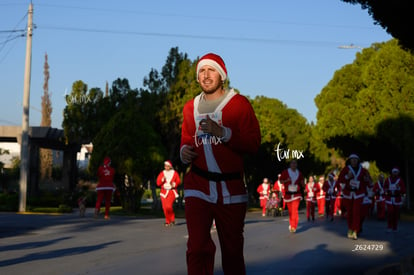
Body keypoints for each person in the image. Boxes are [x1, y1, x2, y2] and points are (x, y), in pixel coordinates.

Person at [180, 53, 261, 275]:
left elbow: (254, 143)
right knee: (196, 248)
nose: (206, 75)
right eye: (201, 72)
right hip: (198, 185)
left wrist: (223, 132)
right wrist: (183, 151)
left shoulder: (238, 104)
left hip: (231, 189)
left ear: (222, 75)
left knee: (232, 251)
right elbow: (187, 137)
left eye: (211, 70)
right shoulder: (190, 108)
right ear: (197, 78)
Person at [338, 154, 370, 240]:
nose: (354, 161)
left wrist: (367, 180)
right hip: (348, 193)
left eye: (356, 159)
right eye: (352, 159)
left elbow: (368, 181)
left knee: (357, 212)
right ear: (350, 161)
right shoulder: (346, 169)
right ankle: (350, 229)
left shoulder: (363, 170)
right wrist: (347, 176)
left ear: (358, 161)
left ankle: (355, 230)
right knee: (350, 212)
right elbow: (340, 180)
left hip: (359, 194)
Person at [279, 160, 304, 233]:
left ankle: (293, 226)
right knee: (290, 211)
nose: (294, 164)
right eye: (292, 163)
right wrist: (286, 180)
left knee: (294, 210)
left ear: (297, 165)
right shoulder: (285, 172)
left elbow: (302, 181)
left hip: (297, 194)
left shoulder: (299, 173)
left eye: (295, 163)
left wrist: (303, 184)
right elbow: (281, 181)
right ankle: (292, 224)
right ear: (290, 165)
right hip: (288, 194)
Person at [156, 160, 181, 226]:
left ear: (170, 166)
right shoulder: (162, 173)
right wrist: (162, 180)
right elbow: (158, 183)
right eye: (165, 166)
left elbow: (178, 181)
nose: (166, 167)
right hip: (163, 192)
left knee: (168, 206)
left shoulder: (174, 173)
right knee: (164, 207)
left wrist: (174, 184)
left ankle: (172, 219)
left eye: (167, 166)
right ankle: (168, 221)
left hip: (171, 192)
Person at [384, 167, 406, 232]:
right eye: (394, 172)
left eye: (396, 172)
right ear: (392, 172)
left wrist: (399, 188)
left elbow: (403, 190)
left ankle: (395, 227)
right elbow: (385, 187)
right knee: (390, 212)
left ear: (398, 173)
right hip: (389, 198)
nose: (395, 173)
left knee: (396, 214)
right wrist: (386, 190)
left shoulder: (400, 180)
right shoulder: (388, 179)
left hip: (397, 199)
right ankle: (389, 226)